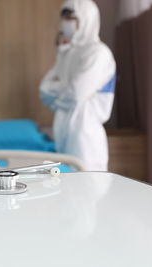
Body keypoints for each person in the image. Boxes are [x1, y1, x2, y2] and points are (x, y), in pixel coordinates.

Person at [40, 0, 116, 171]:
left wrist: (57, 96)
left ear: (87, 19)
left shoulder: (98, 53)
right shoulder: (69, 53)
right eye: (64, 18)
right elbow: (44, 90)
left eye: (71, 18)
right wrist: (61, 55)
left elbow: (75, 94)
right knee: (68, 194)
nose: (66, 23)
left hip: (85, 137)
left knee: (88, 193)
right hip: (63, 131)